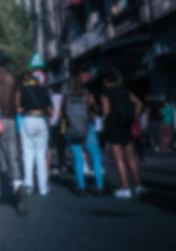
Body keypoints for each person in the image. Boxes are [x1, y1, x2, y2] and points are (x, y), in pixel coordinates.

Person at [0, 49, 27, 212]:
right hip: (10, 118)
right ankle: (17, 185)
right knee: (12, 155)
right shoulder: (12, 78)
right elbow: (17, 102)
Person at [100, 67, 144, 199]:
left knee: (119, 159)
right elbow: (139, 104)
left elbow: (106, 112)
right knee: (131, 158)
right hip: (126, 125)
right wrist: (132, 117)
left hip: (114, 126)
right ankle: (139, 185)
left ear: (106, 80)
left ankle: (126, 188)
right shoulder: (126, 90)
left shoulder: (105, 93)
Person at [62, 75, 103, 196]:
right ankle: (99, 186)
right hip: (88, 128)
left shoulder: (66, 97)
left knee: (78, 158)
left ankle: (81, 187)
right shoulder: (87, 96)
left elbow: (62, 113)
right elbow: (94, 109)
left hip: (73, 129)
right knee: (95, 157)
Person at [17, 73, 52, 196]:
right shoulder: (44, 90)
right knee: (41, 155)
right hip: (41, 120)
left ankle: (28, 185)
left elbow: (19, 109)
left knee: (28, 154)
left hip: (28, 120)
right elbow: (50, 110)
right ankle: (42, 187)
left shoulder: (23, 91)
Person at [48, 85, 66, 175]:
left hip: (51, 123)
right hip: (61, 123)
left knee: (50, 146)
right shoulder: (63, 97)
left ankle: (49, 165)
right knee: (61, 145)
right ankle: (62, 164)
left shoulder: (50, 97)